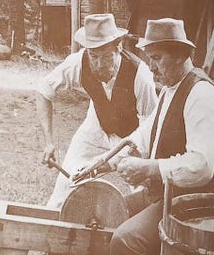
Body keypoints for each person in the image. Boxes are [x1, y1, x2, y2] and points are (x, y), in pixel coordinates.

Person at [110, 17, 214, 255]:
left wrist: (149, 168)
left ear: (180, 55)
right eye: (148, 58)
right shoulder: (170, 88)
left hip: (195, 204)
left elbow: (201, 166)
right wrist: (113, 157)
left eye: (157, 58)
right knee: (111, 210)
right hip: (168, 194)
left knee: (126, 241)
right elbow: (146, 132)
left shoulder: (201, 96)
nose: (150, 67)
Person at [36, 12, 157, 210]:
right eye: (93, 56)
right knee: (67, 183)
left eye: (105, 56)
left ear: (118, 46)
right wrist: (49, 143)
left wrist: (108, 164)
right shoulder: (78, 62)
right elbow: (44, 89)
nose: (99, 65)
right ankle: (54, 221)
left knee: (144, 193)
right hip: (96, 128)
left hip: (133, 138)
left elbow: (149, 133)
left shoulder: (140, 75)